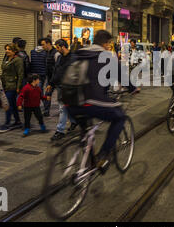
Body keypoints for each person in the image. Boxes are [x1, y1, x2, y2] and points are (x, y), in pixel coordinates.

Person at [67, 30, 138, 171]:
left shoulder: (79, 53)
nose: (109, 47)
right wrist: (133, 88)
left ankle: (89, 159)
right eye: (109, 44)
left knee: (87, 131)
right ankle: (103, 155)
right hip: (90, 101)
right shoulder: (105, 57)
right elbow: (122, 77)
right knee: (120, 117)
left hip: (70, 102)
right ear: (105, 43)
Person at [46, 39, 77, 141]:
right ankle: (74, 121)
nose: (57, 50)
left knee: (63, 108)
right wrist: (51, 83)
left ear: (63, 46)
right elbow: (56, 71)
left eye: (58, 47)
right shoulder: (59, 58)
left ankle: (60, 130)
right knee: (65, 108)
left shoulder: (73, 58)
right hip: (60, 86)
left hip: (70, 87)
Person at [0, 43, 24, 132]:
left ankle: (7, 123)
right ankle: (17, 121)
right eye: (6, 49)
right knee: (12, 104)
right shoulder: (6, 59)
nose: (7, 51)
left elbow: (20, 74)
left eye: (9, 49)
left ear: (14, 51)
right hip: (5, 84)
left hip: (13, 85)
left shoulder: (18, 60)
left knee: (7, 104)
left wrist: (18, 87)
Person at [40, 37, 59, 117]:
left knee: (61, 96)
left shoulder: (56, 53)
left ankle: (66, 111)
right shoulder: (47, 53)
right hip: (50, 78)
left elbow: (58, 68)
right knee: (47, 94)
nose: (42, 46)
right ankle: (46, 111)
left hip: (57, 79)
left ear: (48, 44)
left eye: (43, 44)